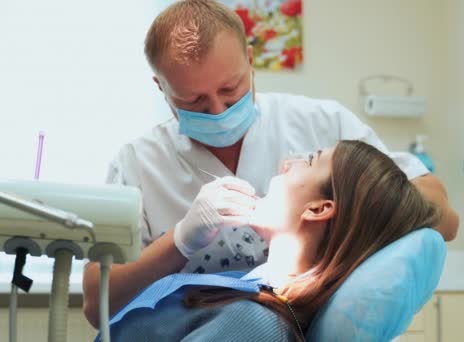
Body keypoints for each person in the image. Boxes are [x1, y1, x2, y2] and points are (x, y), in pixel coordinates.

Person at [83, 0, 459, 327]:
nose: (217, 111)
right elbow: (97, 306)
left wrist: (346, 219)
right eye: (193, 101)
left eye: (231, 91)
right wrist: (180, 240)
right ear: (160, 88)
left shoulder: (321, 124)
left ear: (249, 58)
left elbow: (444, 217)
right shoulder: (137, 164)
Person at [101, 140, 441, 341]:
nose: (286, 165)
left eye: (308, 161)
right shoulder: (249, 289)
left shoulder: (255, 326)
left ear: (319, 208)